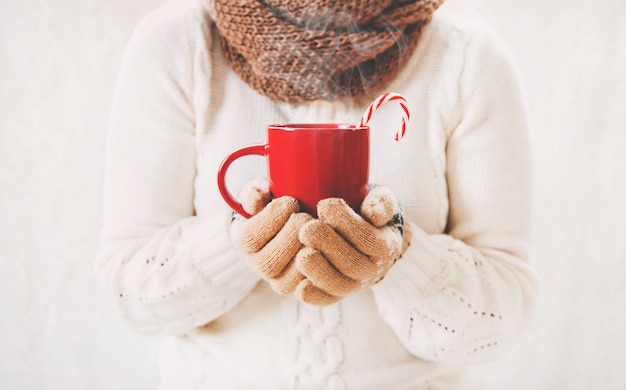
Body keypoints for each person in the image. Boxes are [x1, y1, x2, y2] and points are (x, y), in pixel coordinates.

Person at [95, 0, 538, 388]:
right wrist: (239, 242)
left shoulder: (466, 56)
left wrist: (399, 255)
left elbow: (501, 321)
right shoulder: (177, 44)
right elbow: (129, 294)